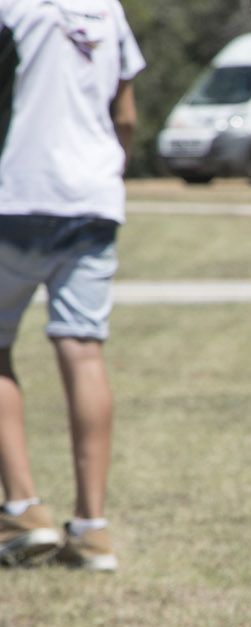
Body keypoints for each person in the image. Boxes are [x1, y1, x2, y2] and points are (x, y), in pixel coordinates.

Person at [0, 0, 144, 571]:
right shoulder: (107, 9)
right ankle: (92, 530)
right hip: (91, 199)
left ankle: (23, 509)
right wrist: (104, 170)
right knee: (84, 352)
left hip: (14, 194)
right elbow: (126, 114)